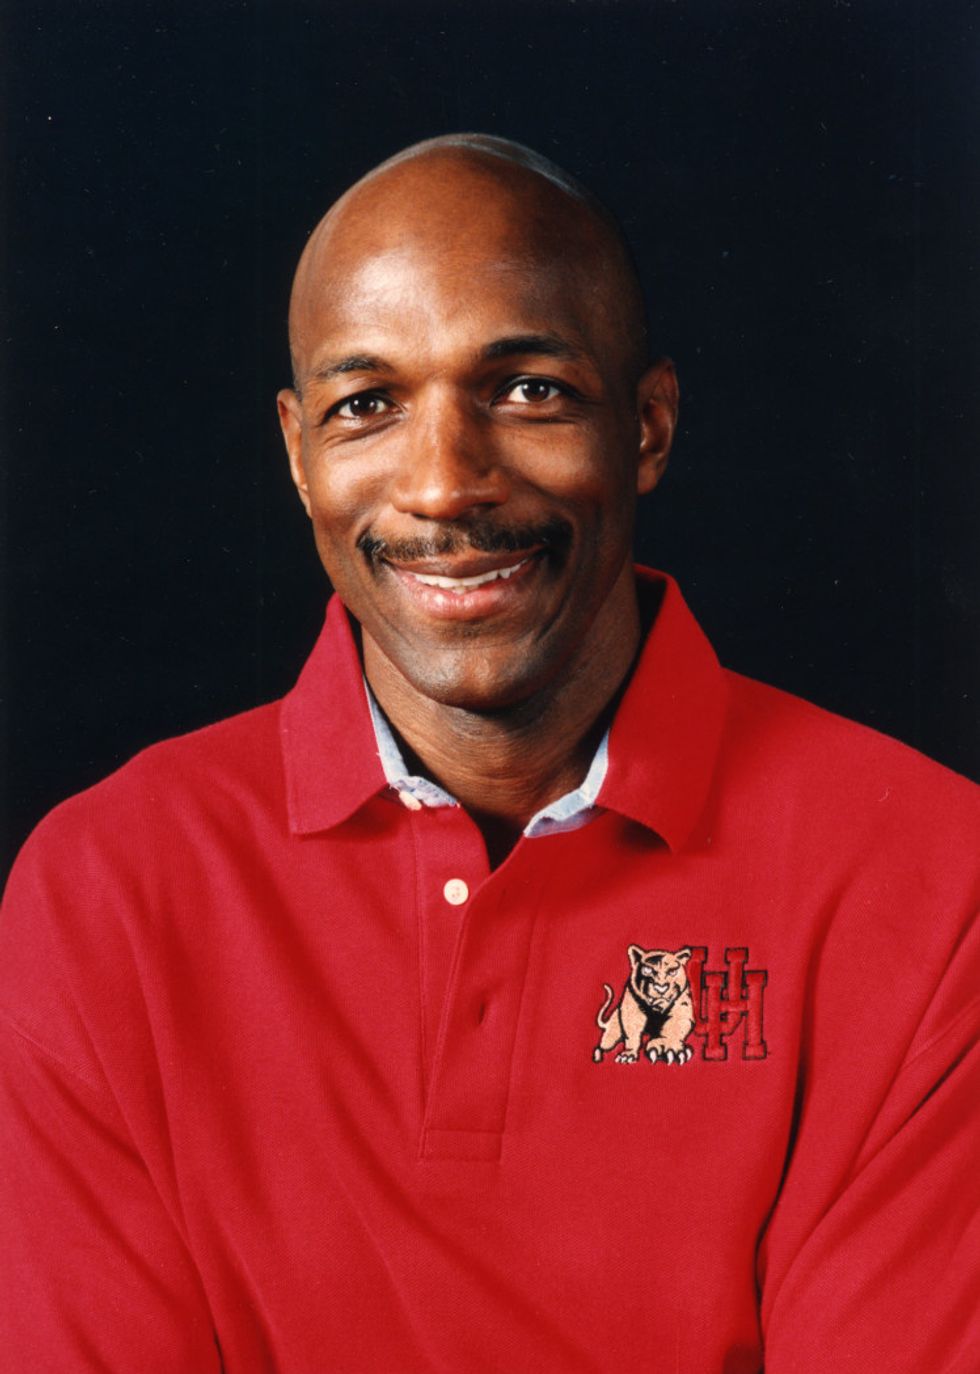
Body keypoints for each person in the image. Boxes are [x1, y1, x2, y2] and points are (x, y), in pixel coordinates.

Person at [1, 134, 977, 1374]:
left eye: (526, 391)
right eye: (367, 405)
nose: (444, 485)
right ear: (298, 456)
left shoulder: (932, 877)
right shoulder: (106, 889)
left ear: (647, 426)